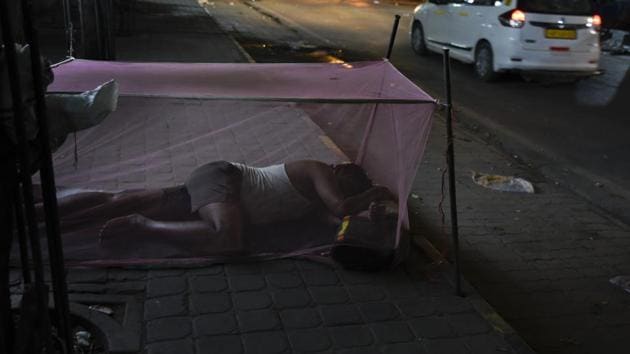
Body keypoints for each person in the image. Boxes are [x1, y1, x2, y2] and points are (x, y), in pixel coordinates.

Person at [53, 160, 397, 253]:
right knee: (229, 239)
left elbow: (336, 222)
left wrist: (377, 220)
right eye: (349, 185)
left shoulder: (315, 203)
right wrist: (373, 194)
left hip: (215, 195)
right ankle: (141, 225)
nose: (345, 191)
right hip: (224, 178)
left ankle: (50, 214)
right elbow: (341, 208)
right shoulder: (320, 169)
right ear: (339, 171)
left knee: (117, 200)